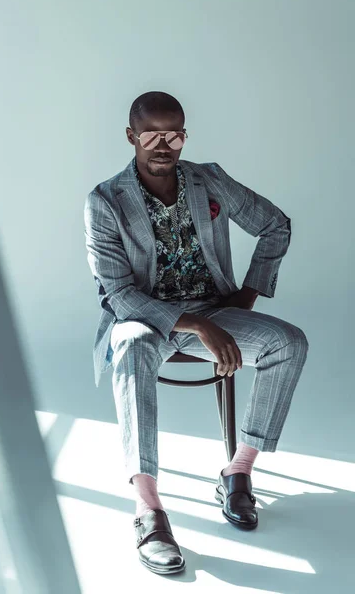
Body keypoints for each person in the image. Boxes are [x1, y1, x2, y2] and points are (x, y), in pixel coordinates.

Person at [83, 91, 309, 575]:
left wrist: (246, 295)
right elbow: (119, 295)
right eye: (151, 134)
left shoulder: (209, 181)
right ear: (131, 137)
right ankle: (148, 510)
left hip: (214, 309)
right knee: (129, 345)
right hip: (145, 319)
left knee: (289, 343)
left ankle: (238, 472)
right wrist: (197, 324)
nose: (164, 144)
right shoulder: (105, 201)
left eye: (175, 134)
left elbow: (275, 225)